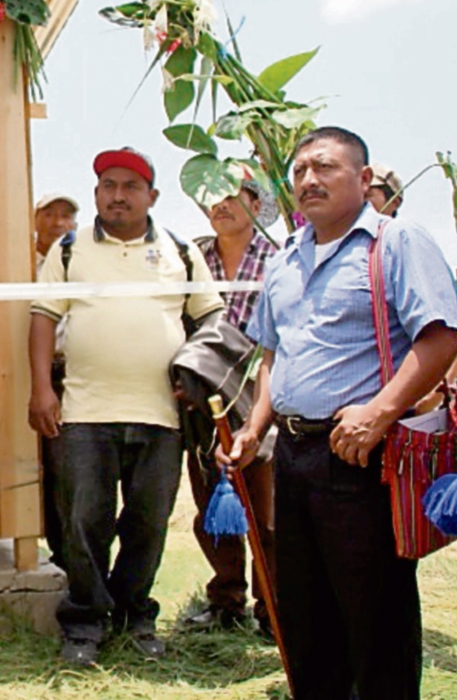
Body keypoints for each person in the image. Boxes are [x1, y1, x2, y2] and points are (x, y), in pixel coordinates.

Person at [220, 127, 457, 699]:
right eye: (300, 170)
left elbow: (442, 336)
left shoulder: (394, 243)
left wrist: (380, 413)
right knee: (305, 616)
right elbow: (272, 354)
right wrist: (254, 429)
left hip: (363, 455)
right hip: (295, 457)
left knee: (375, 618)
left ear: (363, 179)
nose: (308, 180)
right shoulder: (285, 261)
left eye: (324, 167)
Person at [28, 147, 223, 666]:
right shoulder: (68, 250)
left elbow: (212, 320)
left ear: (151, 197)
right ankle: (84, 624)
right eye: (108, 185)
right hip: (85, 412)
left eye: (130, 186)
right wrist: (42, 390)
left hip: (161, 415)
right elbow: (44, 316)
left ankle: (135, 617)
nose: (118, 195)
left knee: (148, 523)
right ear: (96, 194)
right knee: (85, 521)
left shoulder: (180, 251)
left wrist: (198, 380)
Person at [181, 181, 278, 636]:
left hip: (262, 396)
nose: (221, 204)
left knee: (267, 513)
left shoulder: (281, 256)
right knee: (212, 508)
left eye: (234, 194)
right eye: (211, 196)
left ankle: (272, 608)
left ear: (256, 204)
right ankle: (225, 599)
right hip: (207, 401)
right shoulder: (190, 256)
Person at [32, 193, 79, 569]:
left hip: (72, 374)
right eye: (51, 214)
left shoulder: (81, 261)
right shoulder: (20, 262)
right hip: (29, 374)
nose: (60, 222)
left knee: (68, 471)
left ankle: (70, 560)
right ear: (35, 219)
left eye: (68, 215)